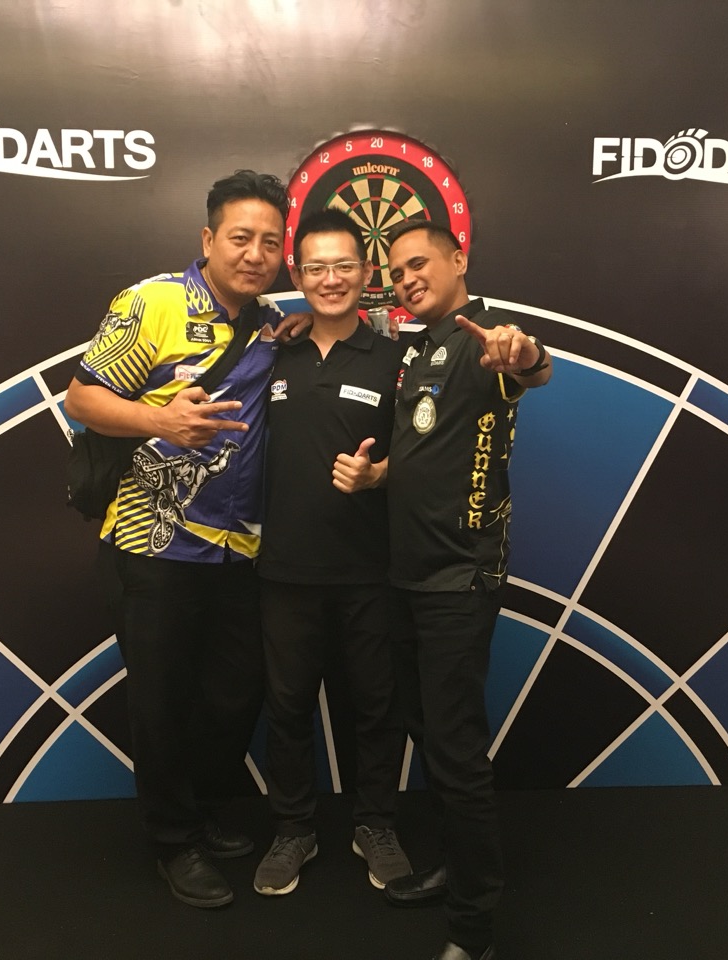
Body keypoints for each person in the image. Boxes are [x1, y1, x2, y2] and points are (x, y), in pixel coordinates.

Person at [63, 170, 289, 910]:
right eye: (241, 238)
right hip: (150, 544)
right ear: (208, 238)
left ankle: (201, 809)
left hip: (238, 550)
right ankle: (173, 842)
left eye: (270, 242)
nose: (255, 254)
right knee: (160, 701)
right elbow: (82, 396)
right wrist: (159, 420)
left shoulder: (269, 321)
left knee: (234, 692)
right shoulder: (152, 302)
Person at [339, 220, 551, 960]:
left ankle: (473, 926)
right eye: (396, 272)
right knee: (428, 734)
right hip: (406, 575)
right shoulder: (415, 349)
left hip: (459, 578)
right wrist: (378, 475)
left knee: (457, 753)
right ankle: (458, 869)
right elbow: (428, 452)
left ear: (460, 260)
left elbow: (531, 367)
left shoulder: (485, 341)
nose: (407, 279)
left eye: (419, 264)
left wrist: (525, 354)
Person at [251, 209, 412, 897]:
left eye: (343, 265)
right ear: (298, 275)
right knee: (287, 705)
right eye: (315, 267)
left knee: (375, 704)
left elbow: (429, 454)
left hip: (370, 568)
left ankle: (375, 823)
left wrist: (381, 474)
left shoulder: (394, 359)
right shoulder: (271, 352)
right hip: (284, 569)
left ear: (366, 272)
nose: (330, 278)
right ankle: (294, 828)